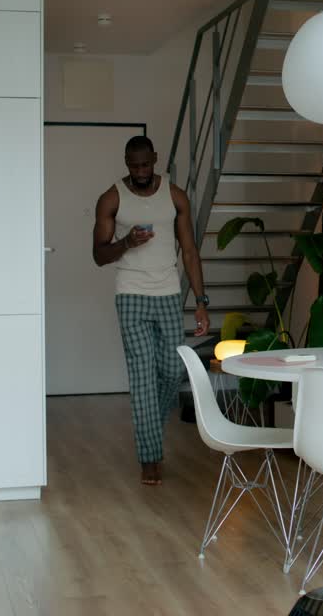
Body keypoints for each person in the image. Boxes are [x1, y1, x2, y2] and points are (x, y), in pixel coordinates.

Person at [92, 135, 209, 485]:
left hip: (169, 294)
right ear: (126, 161)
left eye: (145, 164)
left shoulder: (175, 197)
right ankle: (150, 458)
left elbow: (189, 251)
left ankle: (148, 428)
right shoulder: (112, 198)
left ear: (155, 159)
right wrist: (126, 242)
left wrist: (201, 304)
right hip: (130, 294)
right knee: (143, 378)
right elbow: (98, 255)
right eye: (133, 165)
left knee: (174, 370)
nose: (140, 171)